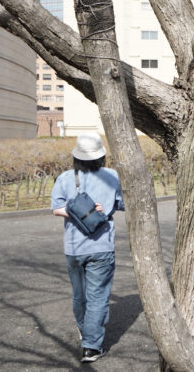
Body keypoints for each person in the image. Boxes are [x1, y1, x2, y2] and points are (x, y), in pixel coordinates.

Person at [51, 132, 125, 363]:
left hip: (73, 247)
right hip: (101, 245)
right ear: (101, 155)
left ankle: (85, 330)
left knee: (79, 294)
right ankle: (91, 347)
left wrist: (76, 210)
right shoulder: (112, 176)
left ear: (77, 156)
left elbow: (56, 209)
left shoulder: (65, 178)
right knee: (98, 296)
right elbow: (121, 203)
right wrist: (97, 209)